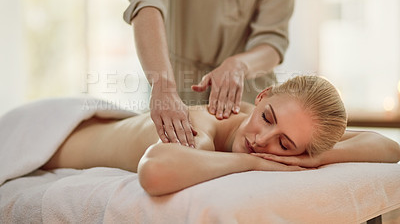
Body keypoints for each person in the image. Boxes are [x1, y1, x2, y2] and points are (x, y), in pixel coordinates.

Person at [42, 76, 400, 196]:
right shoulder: (205, 124)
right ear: (263, 95)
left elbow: (388, 147)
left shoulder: (300, 135)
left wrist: (316, 158)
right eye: (267, 118)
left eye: (284, 144)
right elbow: (153, 172)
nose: (263, 140)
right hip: (55, 136)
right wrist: (251, 162)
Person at [123, 0, 299, 147]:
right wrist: (162, 82)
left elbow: (273, 39)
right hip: (175, 90)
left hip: (249, 95)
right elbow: (147, 1)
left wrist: (239, 66)